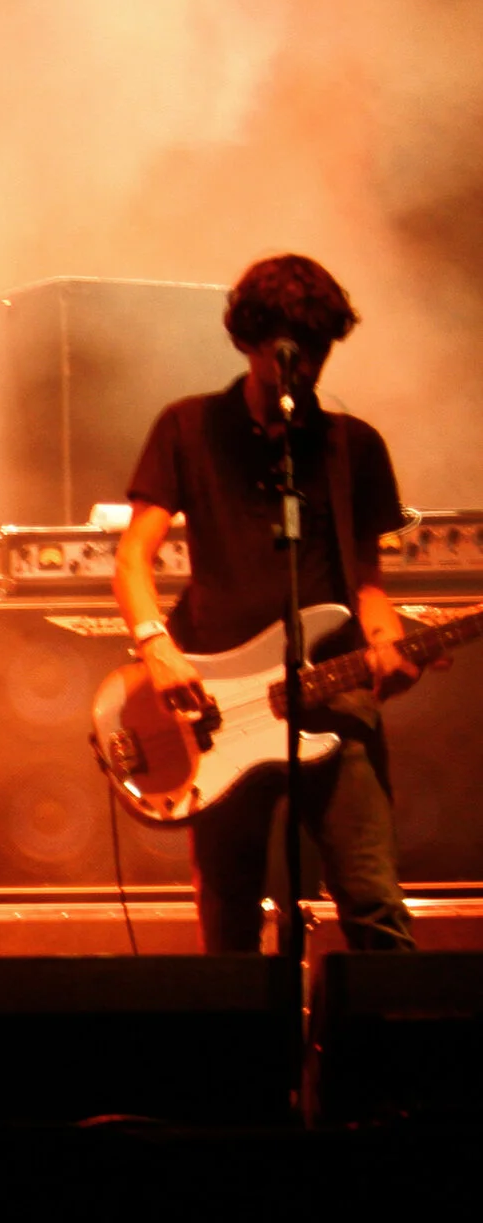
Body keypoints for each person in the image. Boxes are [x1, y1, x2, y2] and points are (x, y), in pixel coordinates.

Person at [113, 253, 419, 953]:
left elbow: (366, 579)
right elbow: (133, 557)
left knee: (374, 905)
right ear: (248, 338)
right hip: (215, 709)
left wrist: (387, 638)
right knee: (230, 919)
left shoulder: (354, 444)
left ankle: (388, 1059)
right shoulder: (187, 427)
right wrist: (157, 647)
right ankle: (241, 1062)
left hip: (334, 700)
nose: (303, 363)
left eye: (315, 348)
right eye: (287, 345)